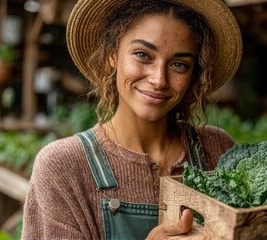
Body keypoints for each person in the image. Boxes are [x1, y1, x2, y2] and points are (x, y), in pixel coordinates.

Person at [21, 0, 242, 239]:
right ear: (112, 55)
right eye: (142, 55)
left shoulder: (217, 149)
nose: (159, 79)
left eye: (179, 64)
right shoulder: (63, 167)